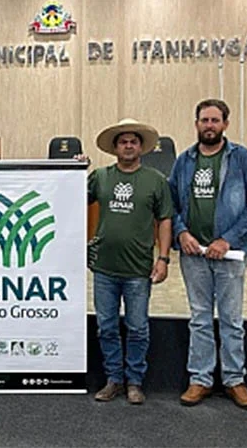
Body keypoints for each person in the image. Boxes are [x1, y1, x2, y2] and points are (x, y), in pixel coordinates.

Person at [168, 99, 247, 410]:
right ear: (196, 124)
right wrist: (182, 232)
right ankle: (200, 379)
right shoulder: (184, 161)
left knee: (231, 319)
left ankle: (235, 380)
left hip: (231, 254)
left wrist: (228, 239)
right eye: (204, 120)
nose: (209, 125)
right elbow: (170, 204)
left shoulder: (241, 159)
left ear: (225, 124)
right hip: (193, 253)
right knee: (199, 318)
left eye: (215, 120)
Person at [89, 119, 173, 405]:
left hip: (139, 269)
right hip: (104, 268)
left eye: (133, 141)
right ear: (115, 148)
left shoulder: (156, 181)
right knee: (107, 327)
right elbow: (70, 196)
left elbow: (164, 220)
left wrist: (163, 258)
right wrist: (73, 169)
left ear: (141, 147)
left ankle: (134, 381)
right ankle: (114, 379)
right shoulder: (99, 176)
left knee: (137, 328)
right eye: (123, 141)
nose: (128, 145)